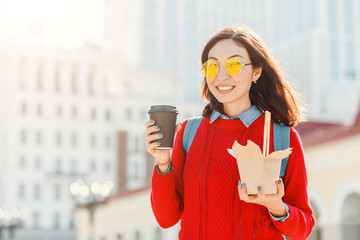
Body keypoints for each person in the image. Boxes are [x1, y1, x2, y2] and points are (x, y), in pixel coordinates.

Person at [145, 26, 315, 240]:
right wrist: (162, 163)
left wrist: (275, 206)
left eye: (233, 65)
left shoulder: (282, 137)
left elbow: (303, 230)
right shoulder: (189, 132)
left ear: (256, 71)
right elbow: (166, 219)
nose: (222, 76)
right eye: (212, 67)